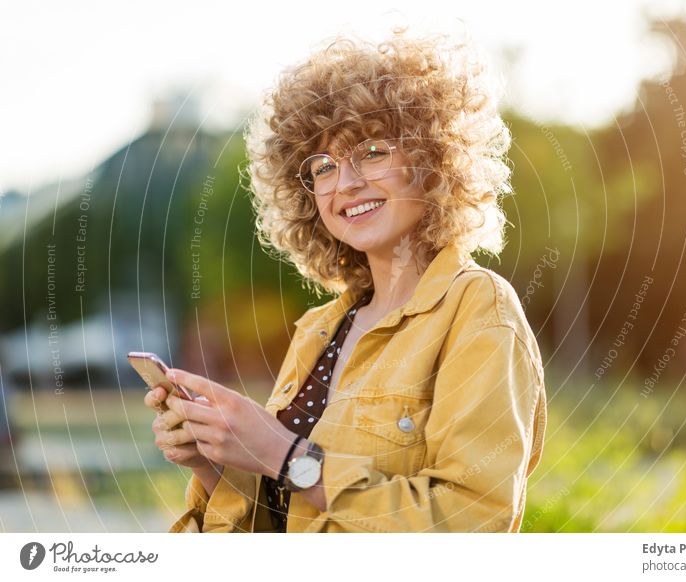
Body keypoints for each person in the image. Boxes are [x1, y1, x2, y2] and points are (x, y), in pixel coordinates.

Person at [145, 28, 547, 533]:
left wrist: (285, 455)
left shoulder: (477, 307)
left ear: (431, 159)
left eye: (373, 151)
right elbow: (286, 517)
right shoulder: (319, 329)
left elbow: (474, 519)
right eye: (324, 165)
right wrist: (218, 459)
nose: (347, 182)